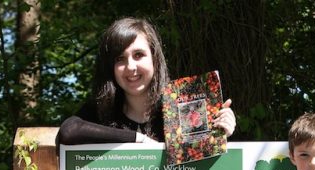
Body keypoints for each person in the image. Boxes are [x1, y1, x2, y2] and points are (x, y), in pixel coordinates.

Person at [56, 17, 236, 145]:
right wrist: (138, 139)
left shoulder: (183, 107)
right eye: (120, 59)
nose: (130, 67)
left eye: (138, 55)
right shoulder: (102, 110)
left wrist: (221, 130)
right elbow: (68, 131)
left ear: (154, 59)